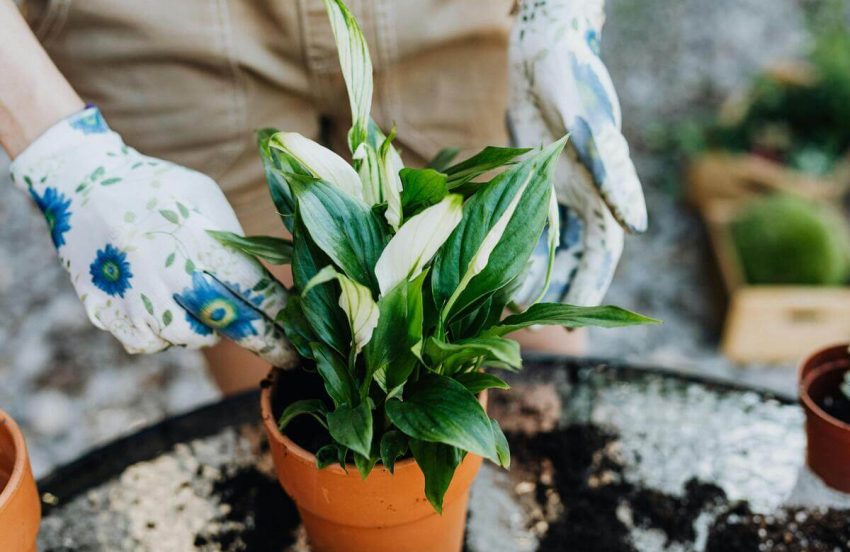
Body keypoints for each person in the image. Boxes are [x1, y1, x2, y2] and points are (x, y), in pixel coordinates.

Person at [0, 0, 645, 393]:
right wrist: (62, 151)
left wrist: (561, 13)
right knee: (283, 361)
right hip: (154, 25)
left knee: (522, 346)